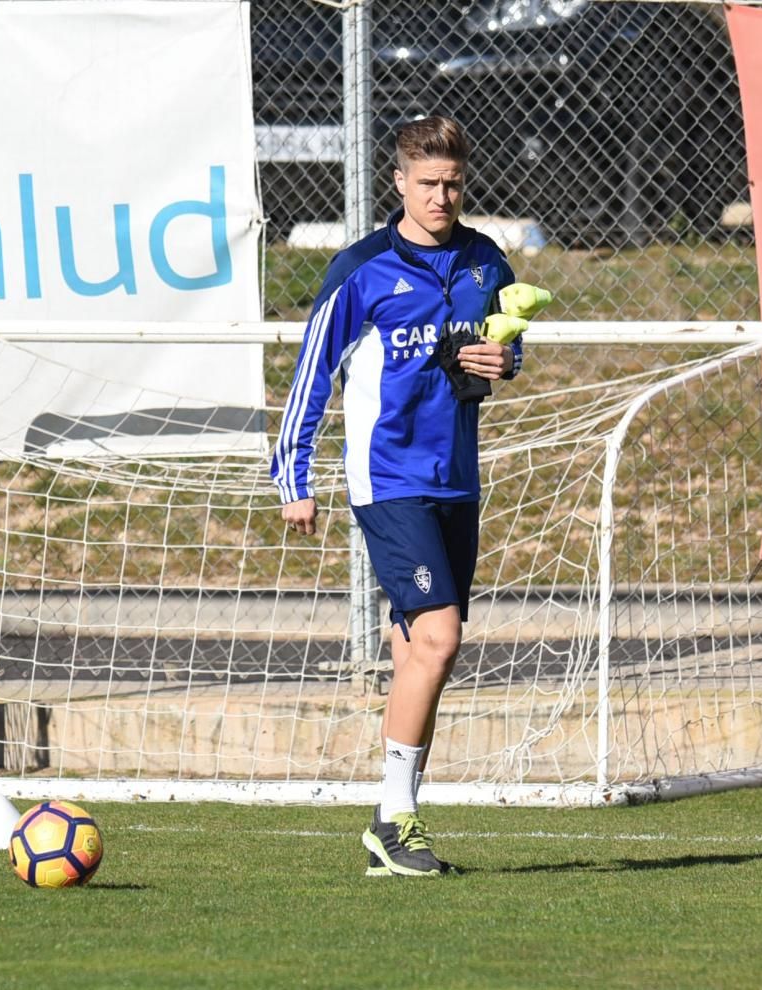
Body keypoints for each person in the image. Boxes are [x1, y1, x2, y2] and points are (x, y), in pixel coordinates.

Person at [270, 115, 532, 877]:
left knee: (420, 647)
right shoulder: (363, 269)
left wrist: (503, 358)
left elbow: (505, 347)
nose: (441, 196)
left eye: (452, 183)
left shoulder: (486, 261)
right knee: (442, 639)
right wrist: (295, 477)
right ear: (398, 184)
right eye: (427, 184)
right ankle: (395, 817)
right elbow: (313, 372)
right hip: (388, 480)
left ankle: (393, 819)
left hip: (457, 477)